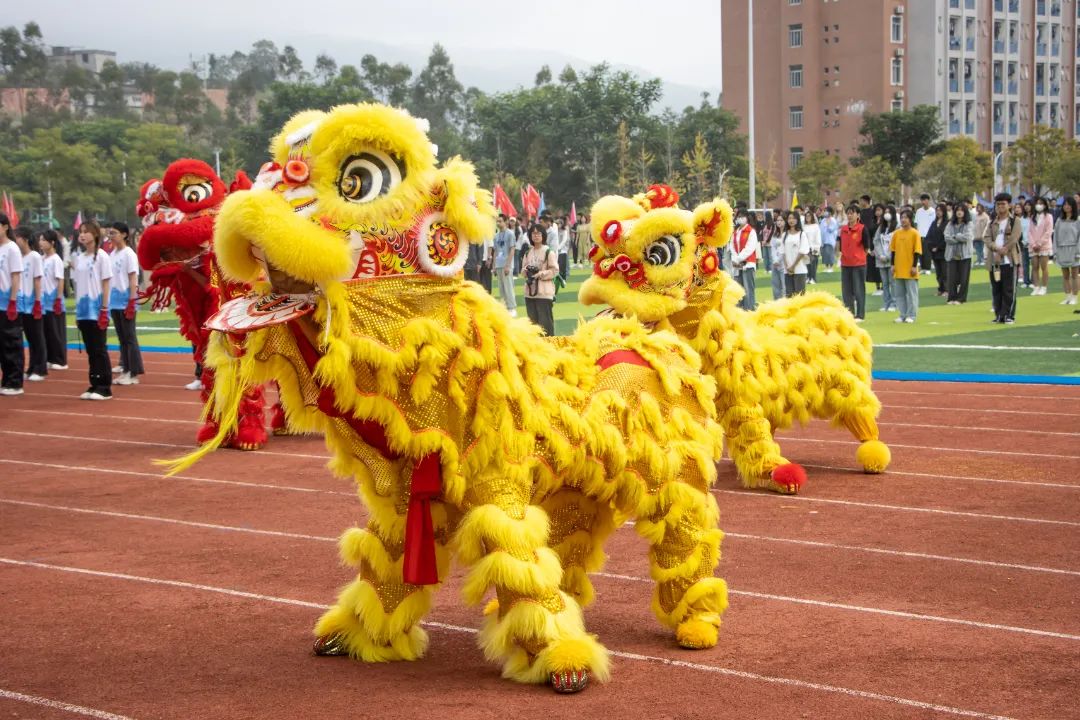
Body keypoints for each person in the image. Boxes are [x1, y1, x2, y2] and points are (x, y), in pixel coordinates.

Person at [73, 221, 113, 399]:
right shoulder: (80, 257)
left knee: (99, 349)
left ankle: (104, 387)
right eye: (80, 232)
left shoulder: (102, 256)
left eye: (86, 232)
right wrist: (77, 311)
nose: (82, 235)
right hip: (83, 310)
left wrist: (104, 309)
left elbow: (106, 284)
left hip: (96, 309)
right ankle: (94, 382)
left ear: (95, 234)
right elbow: (78, 286)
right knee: (90, 349)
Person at [107, 222, 144, 385]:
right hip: (114, 302)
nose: (111, 236)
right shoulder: (112, 254)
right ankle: (125, 369)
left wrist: (132, 301)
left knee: (129, 337)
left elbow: (132, 278)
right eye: (110, 233)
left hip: (126, 301)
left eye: (114, 233)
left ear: (124, 234)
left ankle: (133, 373)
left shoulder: (129, 254)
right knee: (122, 338)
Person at [981, 192, 1022, 324]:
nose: (1000, 207)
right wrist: (996, 249)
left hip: (1009, 259)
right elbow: (986, 238)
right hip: (994, 260)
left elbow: (1014, 238)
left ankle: (1008, 315)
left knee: (1009, 289)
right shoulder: (992, 222)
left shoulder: (1015, 220)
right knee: (996, 289)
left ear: (1009, 205)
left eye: (1003, 204)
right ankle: (999, 314)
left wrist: (1003, 250)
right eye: (998, 204)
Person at [14, 227, 46, 382]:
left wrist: (38, 302)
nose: (15, 240)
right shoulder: (18, 257)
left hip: (33, 303)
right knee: (29, 337)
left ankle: (40, 368)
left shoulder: (34, 257)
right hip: (21, 304)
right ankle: (32, 367)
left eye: (17, 237)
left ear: (25, 239)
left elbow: (37, 280)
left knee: (36, 337)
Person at [0, 213, 24, 395]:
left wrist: (13, 301)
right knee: (2, 344)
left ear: (5, 227)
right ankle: (6, 380)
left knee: (11, 342)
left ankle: (15, 382)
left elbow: (15, 276)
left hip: (9, 302)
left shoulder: (12, 248)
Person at [520, 223, 558, 335]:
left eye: (538, 233)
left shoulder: (548, 252)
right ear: (530, 236)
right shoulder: (528, 253)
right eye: (533, 233)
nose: (536, 236)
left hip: (544, 292)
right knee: (533, 324)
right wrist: (526, 271)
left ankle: (549, 344)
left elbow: (555, 270)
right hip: (530, 292)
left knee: (545, 324)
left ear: (543, 235)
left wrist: (540, 274)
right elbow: (523, 271)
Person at [38, 230, 68, 370]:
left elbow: (60, 280)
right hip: (43, 303)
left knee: (56, 332)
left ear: (52, 243)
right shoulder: (41, 259)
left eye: (44, 240)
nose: (41, 243)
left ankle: (60, 360)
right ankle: (50, 358)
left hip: (53, 301)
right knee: (47, 332)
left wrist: (58, 299)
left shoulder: (56, 259)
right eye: (40, 240)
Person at [839, 204, 871, 321]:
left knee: (858, 290)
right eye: (848, 213)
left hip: (858, 264)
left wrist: (859, 257)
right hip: (845, 263)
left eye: (852, 213)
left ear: (858, 215)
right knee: (846, 291)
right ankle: (849, 313)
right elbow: (840, 245)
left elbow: (867, 247)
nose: (850, 215)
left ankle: (860, 315)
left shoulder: (862, 228)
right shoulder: (843, 229)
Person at [890, 209, 922, 323]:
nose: (903, 220)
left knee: (912, 294)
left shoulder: (915, 233)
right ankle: (902, 314)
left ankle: (911, 315)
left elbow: (917, 251)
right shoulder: (896, 233)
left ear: (910, 219)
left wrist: (914, 266)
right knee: (899, 294)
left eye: (906, 217)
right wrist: (892, 264)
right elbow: (893, 251)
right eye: (902, 217)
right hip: (899, 268)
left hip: (909, 268)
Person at [944, 203, 974, 305]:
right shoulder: (950, 224)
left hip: (965, 255)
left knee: (964, 278)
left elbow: (967, 237)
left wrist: (955, 236)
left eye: (961, 210)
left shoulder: (969, 224)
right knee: (951, 278)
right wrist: (958, 238)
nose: (959, 212)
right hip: (951, 254)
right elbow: (946, 237)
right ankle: (951, 298)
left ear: (965, 212)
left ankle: (961, 298)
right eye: (957, 210)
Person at [730, 208, 759, 310]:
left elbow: (750, 248)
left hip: (748, 264)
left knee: (748, 289)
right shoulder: (735, 232)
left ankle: (749, 310)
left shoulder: (751, 231)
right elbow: (732, 247)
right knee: (738, 290)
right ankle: (740, 311)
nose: (740, 218)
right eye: (738, 216)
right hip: (737, 265)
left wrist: (738, 259)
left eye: (742, 216)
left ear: (747, 218)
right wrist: (734, 259)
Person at [1053, 196, 1079, 305]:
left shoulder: (1078, 220)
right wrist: (1055, 252)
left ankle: (1074, 297)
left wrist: (1078, 252)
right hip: (1061, 250)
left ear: (1073, 206)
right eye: (1065, 204)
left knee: (1074, 275)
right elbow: (1055, 237)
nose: (1066, 206)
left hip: (1074, 250)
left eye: (1069, 204)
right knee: (1065, 276)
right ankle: (1067, 297)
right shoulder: (1059, 220)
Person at [872, 205, 898, 312]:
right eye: (885, 212)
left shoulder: (897, 227)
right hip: (881, 260)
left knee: (893, 282)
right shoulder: (881, 227)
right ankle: (886, 303)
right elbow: (876, 241)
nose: (887, 214)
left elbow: (897, 244)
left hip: (892, 259)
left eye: (889, 212)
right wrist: (880, 255)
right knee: (885, 283)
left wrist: (888, 256)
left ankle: (894, 303)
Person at [492, 214, 518, 316]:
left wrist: (508, 265)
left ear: (506, 222)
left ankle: (512, 308)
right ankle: (504, 307)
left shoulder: (510, 234)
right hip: (499, 264)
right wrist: (494, 266)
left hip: (507, 264)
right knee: (501, 287)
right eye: (497, 221)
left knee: (508, 286)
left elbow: (512, 250)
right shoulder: (496, 236)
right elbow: (495, 251)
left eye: (500, 221)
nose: (498, 223)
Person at [1027, 196, 1053, 296]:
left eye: (1041, 203)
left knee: (1044, 267)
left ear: (1045, 205)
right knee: (1034, 266)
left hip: (1044, 246)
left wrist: (1039, 243)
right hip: (1033, 246)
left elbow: (1048, 232)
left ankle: (1044, 287)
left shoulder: (1048, 216)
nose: (1039, 205)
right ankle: (1036, 287)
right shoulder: (1032, 217)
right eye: (1037, 203)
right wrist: (1033, 244)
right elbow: (1029, 231)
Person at [781, 210, 810, 297]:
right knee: (789, 296)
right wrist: (787, 267)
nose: (791, 220)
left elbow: (802, 251)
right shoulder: (784, 235)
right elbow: (783, 252)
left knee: (800, 296)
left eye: (793, 218)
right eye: (789, 218)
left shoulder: (802, 234)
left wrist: (793, 266)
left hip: (800, 269)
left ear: (797, 220)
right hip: (787, 271)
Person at [860, 197, 882, 296]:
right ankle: (878, 287)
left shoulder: (885, 222)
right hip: (873, 244)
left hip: (883, 246)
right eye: (876, 210)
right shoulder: (873, 221)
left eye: (879, 210)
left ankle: (884, 287)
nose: (877, 212)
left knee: (883, 267)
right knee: (874, 266)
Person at [924, 203, 948, 296]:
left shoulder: (947, 223)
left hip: (943, 251)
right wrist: (931, 247)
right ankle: (940, 289)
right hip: (934, 252)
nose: (938, 212)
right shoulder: (934, 223)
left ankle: (947, 290)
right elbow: (928, 236)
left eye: (940, 210)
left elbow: (947, 238)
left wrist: (938, 247)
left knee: (945, 272)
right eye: (937, 210)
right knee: (938, 272)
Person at [914, 193, 936, 274]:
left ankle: (928, 268)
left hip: (929, 235)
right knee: (920, 252)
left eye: (925, 200)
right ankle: (923, 268)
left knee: (927, 253)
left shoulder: (933, 211)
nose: (923, 202)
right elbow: (916, 223)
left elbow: (934, 223)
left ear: (928, 201)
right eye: (922, 200)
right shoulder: (918, 211)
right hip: (920, 235)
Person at [769, 210, 786, 300]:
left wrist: (778, 260)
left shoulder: (787, 234)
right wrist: (775, 260)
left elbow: (784, 249)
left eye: (781, 220)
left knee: (784, 285)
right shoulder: (775, 234)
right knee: (775, 285)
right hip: (775, 263)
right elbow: (773, 248)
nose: (779, 222)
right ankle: (777, 303)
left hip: (784, 262)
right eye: (778, 220)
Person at [803, 209, 821, 284]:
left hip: (814, 247)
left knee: (813, 263)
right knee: (807, 263)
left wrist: (817, 247)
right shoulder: (804, 226)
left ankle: (813, 278)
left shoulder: (815, 226)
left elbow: (818, 237)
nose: (808, 217)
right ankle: (808, 277)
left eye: (809, 216)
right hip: (806, 247)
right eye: (806, 216)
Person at [819, 206, 838, 271]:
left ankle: (831, 267)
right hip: (823, 240)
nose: (825, 212)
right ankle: (826, 267)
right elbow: (821, 229)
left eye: (826, 211)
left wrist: (828, 223)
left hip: (830, 240)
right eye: (824, 211)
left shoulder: (833, 220)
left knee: (830, 253)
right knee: (825, 254)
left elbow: (831, 229)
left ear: (830, 212)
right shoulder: (823, 220)